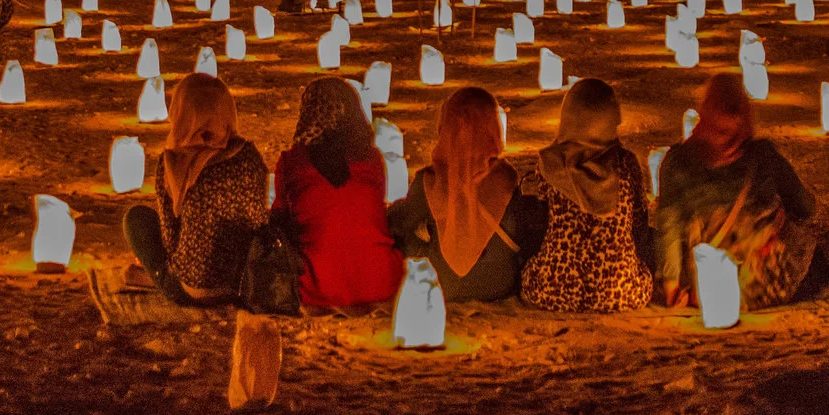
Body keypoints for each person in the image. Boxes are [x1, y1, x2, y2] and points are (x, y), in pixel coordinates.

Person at [656, 74, 829, 308]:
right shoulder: (762, 156)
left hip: (705, 280)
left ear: (704, 112)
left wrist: (671, 285)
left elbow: (668, 227)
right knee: (822, 265)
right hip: (765, 279)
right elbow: (804, 207)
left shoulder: (676, 162)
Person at [389, 86, 546, 301]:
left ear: (445, 129)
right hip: (499, 283)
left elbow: (400, 222)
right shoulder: (505, 177)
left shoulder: (430, 181)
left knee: (409, 238)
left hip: (442, 283)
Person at [124, 73, 267, 304]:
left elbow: (170, 240)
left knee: (137, 219)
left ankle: (154, 278)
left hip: (194, 290)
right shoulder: (249, 155)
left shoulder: (174, 162)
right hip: (245, 283)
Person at [517, 78, 654, 313]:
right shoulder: (626, 164)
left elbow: (542, 222)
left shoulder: (549, 164)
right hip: (621, 293)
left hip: (551, 291)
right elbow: (638, 223)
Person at [272, 77, 402, 311]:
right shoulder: (372, 159)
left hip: (317, 288)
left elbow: (279, 221)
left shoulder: (292, 162)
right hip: (380, 282)